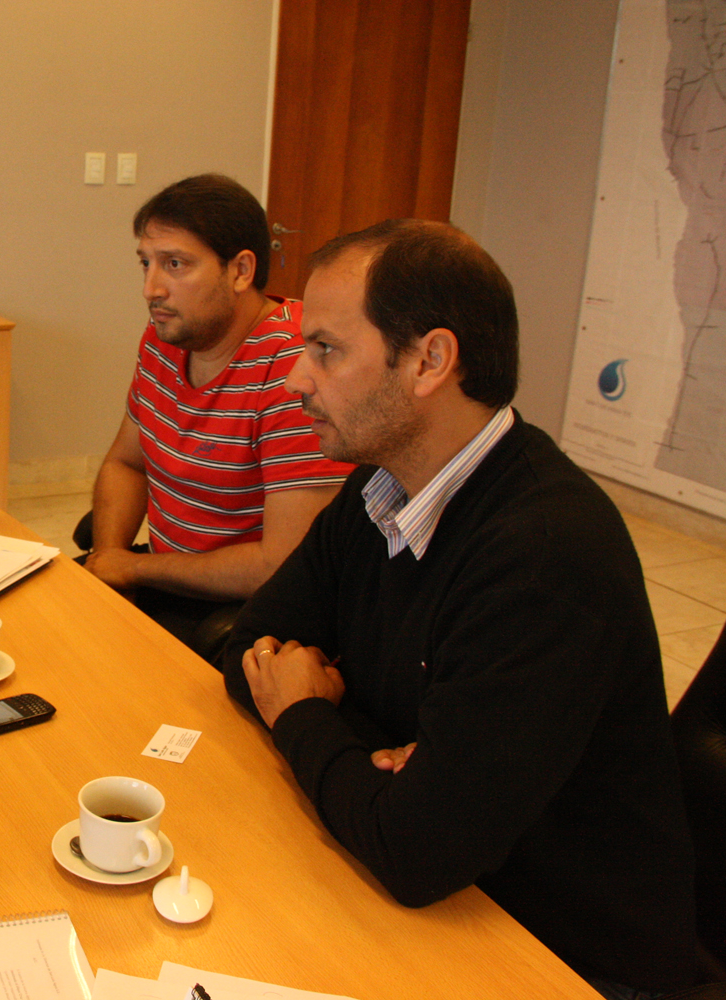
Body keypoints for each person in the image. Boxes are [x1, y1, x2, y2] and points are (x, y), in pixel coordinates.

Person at [222, 219, 697, 998]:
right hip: (443, 894)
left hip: (559, 955)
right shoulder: (379, 490)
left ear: (430, 361)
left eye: (327, 350)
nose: (295, 380)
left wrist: (305, 716)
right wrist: (397, 767)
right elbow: (250, 646)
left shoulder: (546, 553)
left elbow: (415, 852)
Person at [84, 174, 351, 645]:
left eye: (175, 264)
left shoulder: (297, 369)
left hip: (241, 613)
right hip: (161, 581)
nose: (152, 289)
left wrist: (132, 567)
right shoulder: (167, 337)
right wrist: (109, 562)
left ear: (240, 271)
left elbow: (278, 567)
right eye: (146, 263)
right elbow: (127, 463)